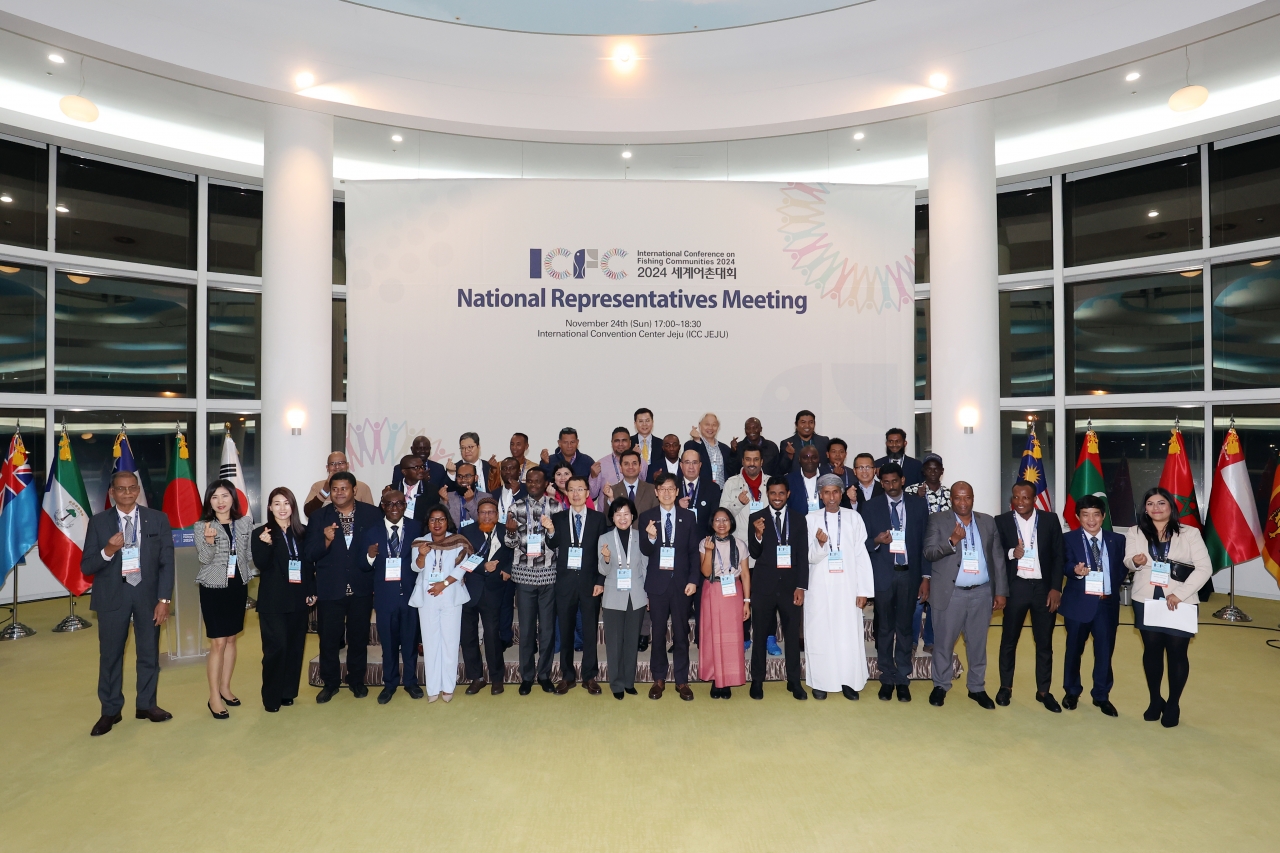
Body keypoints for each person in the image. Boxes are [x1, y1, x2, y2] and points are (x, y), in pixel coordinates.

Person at [81, 471, 175, 736]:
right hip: (112, 597)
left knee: (148, 654)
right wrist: (107, 551)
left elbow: (167, 563)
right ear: (112, 492)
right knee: (110, 656)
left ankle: (146, 705)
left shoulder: (158, 519)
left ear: (138, 490)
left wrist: (164, 599)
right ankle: (110, 710)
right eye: (120, 489)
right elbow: (87, 565)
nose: (127, 493)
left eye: (132, 488)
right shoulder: (99, 523)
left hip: (148, 597)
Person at [1124, 486, 1213, 728]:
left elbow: (1205, 568)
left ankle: (1173, 703)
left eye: (1161, 503)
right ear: (1145, 508)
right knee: (1151, 651)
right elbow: (1128, 561)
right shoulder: (1135, 532)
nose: (1156, 508)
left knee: (1177, 653)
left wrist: (1180, 594)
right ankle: (1155, 700)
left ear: (1170, 507)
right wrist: (1135, 561)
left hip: (1180, 602)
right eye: (1150, 503)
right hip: (1146, 599)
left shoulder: (1190, 533)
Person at [922, 482, 1008, 709]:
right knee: (944, 643)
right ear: (951, 499)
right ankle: (940, 685)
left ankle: (977, 687)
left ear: (972, 498)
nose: (962, 502)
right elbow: (929, 552)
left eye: (967, 497)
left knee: (978, 644)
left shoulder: (987, 521)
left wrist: (1000, 592)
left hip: (981, 593)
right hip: (951, 594)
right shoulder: (938, 520)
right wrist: (952, 541)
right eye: (958, 498)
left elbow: (998, 558)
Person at [305, 472, 383, 703]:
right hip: (331, 587)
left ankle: (356, 680)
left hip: (361, 586)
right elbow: (309, 553)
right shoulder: (320, 517)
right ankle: (330, 683)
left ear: (354, 490)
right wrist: (326, 540)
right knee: (329, 638)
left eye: (344, 488)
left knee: (358, 637)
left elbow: (379, 549)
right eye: (335, 489)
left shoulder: (371, 514)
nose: (339, 493)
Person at [859, 462, 928, 702]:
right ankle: (887, 676)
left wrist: (925, 577)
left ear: (903, 480)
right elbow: (862, 544)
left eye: (894, 481)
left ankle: (903, 676)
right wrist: (876, 541)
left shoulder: (919, 506)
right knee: (885, 629)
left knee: (905, 628)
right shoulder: (870, 508)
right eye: (885, 482)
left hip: (909, 574)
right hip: (884, 576)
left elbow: (924, 545)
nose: (890, 486)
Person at [994, 480, 1066, 712]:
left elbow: (1058, 556)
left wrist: (1056, 588)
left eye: (1025, 497)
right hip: (1016, 587)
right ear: (1011, 499)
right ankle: (1006, 687)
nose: (1020, 502)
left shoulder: (1050, 520)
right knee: (1008, 640)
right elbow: (995, 555)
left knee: (1044, 642)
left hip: (1044, 589)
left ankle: (1044, 691)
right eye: (1016, 497)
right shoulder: (1002, 521)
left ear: (1035, 499)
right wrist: (1011, 553)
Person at [804, 474, 875, 700]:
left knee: (847, 634)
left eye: (835, 492)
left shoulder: (853, 518)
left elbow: (861, 556)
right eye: (827, 492)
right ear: (820, 495)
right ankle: (821, 682)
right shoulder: (810, 519)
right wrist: (821, 544)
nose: (832, 497)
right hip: (819, 587)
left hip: (847, 587)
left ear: (841, 493)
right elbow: (808, 557)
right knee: (820, 633)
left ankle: (848, 681)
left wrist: (863, 590)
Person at [193, 479, 255, 719]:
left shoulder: (244, 523)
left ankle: (226, 687)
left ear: (233, 498)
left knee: (231, 639)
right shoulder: (202, 526)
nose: (220, 501)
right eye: (215, 497)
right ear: (209, 501)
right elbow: (205, 559)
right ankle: (213, 696)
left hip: (237, 586)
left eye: (225, 496)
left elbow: (248, 554)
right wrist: (209, 542)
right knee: (218, 642)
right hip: (214, 587)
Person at [1059, 495, 1127, 716]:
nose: (1091, 520)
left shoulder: (1117, 540)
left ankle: (1101, 695)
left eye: (1096, 514)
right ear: (1078, 517)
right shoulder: (1068, 539)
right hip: (1079, 603)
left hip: (1106, 604)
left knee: (1105, 651)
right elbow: (1064, 564)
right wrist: (1075, 572)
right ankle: (1071, 691)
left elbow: (1121, 569)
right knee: (1074, 650)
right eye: (1085, 515)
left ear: (1103, 516)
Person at [638, 473, 701, 701]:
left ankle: (682, 680)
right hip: (657, 585)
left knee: (681, 633)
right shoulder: (648, 517)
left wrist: (694, 580)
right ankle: (658, 678)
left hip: (682, 584)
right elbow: (645, 550)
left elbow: (694, 551)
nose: (666, 492)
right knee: (658, 632)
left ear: (677, 492)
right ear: (656, 492)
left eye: (670, 488)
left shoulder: (688, 517)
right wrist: (652, 537)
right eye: (662, 489)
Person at [252, 486, 314, 713]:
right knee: (275, 649)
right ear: (270, 507)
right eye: (276, 503)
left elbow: (308, 565)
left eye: (286, 503)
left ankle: (288, 692)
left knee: (295, 648)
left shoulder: (302, 532)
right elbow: (261, 565)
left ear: (292, 506)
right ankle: (271, 697)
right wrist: (266, 545)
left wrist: (312, 590)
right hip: (273, 602)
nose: (282, 508)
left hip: (298, 599)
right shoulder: (261, 532)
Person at [747, 477, 809, 699]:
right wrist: (759, 535)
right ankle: (757, 681)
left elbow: (802, 555)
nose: (777, 498)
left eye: (781, 493)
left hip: (791, 587)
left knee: (792, 636)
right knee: (760, 635)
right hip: (763, 587)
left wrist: (801, 586)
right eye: (773, 493)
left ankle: (794, 681)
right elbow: (754, 553)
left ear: (788, 494)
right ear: (767, 493)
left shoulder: (799, 519)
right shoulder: (756, 518)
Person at [545, 475, 607, 694]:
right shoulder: (559, 518)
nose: (576, 494)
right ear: (566, 494)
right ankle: (567, 676)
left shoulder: (599, 519)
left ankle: (590, 677)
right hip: (565, 583)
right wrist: (550, 530)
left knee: (590, 630)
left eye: (580, 489)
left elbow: (603, 553)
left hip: (591, 583)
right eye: (571, 490)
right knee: (566, 630)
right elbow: (552, 544)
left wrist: (601, 581)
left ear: (588, 492)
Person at [363, 490, 423, 704]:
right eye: (390, 504)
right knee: (388, 644)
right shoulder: (372, 531)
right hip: (385, 597)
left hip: (410, 595)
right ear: (383, 506)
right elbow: (363, 566)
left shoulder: (416, 527)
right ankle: (389, 684)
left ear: (405, 505)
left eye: (399, 503)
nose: (395, 507)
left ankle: (410, 682)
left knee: (409, 642)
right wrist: (370, 556)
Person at [409, 506, 473, 703]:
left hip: (451, 596)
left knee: (450, 642)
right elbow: (415, 567)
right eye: (433, 520)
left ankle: (448, 686)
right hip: (427, 597)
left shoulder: (458, 542)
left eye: (441, 519)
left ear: (448, 521)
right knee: (430, 643)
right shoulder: (419, 543)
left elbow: (462, 568)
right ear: (427, 522)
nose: (437, 524)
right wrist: (421, 555)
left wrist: (443, 584)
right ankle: (433, 687)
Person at [503, 468, 558, 695]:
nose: (534, 484)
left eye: (538, 480)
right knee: (526, 630)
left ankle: (544, 675)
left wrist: (551, 530)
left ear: (546, 483)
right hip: (524, 576)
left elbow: (558, 542)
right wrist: (512, 533)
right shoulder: (515, 508)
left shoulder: (555, 506)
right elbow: (510, 544)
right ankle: (526, 677)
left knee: (546, 630)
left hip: (549, 575)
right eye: (530, 481)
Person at [459, 496, 513, 695]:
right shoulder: (466, 532)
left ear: (497, 515)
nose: (487, 515)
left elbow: (513, 553)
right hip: (469, 590)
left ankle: (497, 678)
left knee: (492, 636)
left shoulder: (506, 530)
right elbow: (462, 561)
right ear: (477, 514)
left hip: (494, 591)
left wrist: (508, 569)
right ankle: (476, 678)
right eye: (483, 512)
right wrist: (483, 567)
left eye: (491, 512)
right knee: (469, 637)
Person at [698, 508, 751, 698]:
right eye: (717, 520)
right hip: (712, 589)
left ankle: (727, 679)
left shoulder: (740, 544)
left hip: (733, 592)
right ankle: (715, 679)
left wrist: (746, 601)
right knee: (713, 635)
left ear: (731, 522)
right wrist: (710, 552)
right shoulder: (705, 543)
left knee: (731, 637)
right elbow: (705, 572)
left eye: (725, 520)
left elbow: (745, 574)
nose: (721, 523)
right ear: (712, 523)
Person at [598, 497, 647, 699]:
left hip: (636, 594)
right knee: (615, 642)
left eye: (626, 513)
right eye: (618, 514)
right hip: (612, 595)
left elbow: (645, 567)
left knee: (631, 641)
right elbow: (602, 569)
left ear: (633, 515)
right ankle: (616, 684)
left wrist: (648, 593)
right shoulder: (605, 539)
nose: (622, 517)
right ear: (612, 517)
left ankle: (629, 681)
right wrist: (607, 557)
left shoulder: (640, 536)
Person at [912, 452, 948, 655]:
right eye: (928, 468)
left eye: (936, 468)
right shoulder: (911, 491)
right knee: (917, 601)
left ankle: (931, 640)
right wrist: (918, 500)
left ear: (941, 472)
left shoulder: (951, 494)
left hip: (943, 554)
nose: (932, 472)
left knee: (935, 601)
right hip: (917, 552)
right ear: (923, 471)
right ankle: (911, 641)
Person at [493, 457, 526, 649]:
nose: (507, 472)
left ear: (518, 470)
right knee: (504, 599)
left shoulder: (528, 492)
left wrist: (517, 493)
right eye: (504, 469)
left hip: (524, 550)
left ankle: (528, 639)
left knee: (524, 601)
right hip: (501, 547)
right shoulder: (494, 492)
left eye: (511, 469)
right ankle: (504, 637)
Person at [303, 451, 374, 516]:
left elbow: (371, 514)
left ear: (347, 465)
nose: (337, 467)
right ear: (327, 468)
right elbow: (309, 513)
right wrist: (325, 491)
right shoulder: (317, 486)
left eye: (341, 463)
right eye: (332, 464)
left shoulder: (362, 487)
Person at [721, 445, 768, 534]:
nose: (752, 463)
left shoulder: (771, 483)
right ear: (742, 461)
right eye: (748, 459)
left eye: (756, 459)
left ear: (761, 462)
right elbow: (722, 518)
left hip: (766, 540)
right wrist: (738, 503)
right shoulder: (730, 483)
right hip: (740, 541)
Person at [678, 448, 721, 538]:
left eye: (694, 462)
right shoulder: (672, 487)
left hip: (704, 540)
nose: (691, 467)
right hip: (678, 540)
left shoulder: (713, 488)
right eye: (687, 462)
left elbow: (714, 518)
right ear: (681, 465)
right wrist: (677, 506)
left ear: (700, 465)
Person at [601, 449, 657, 517]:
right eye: (626, 464)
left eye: (634, 463)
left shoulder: (652, 489)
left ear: (640, 467)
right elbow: (607, 521)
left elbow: (656, 516)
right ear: (621, 468)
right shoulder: (611, 491)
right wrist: (610, 500)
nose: (631, 467)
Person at [540, 427, 596, 494]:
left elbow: (593, 494)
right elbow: (542, 486)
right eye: (565, 442)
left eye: (572, 442)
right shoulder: (549, 460)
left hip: (580, 502)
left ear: (577, 442)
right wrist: (545, 465)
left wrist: (594, 477)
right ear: (559, 443)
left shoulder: (587, 461)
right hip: (555, 502)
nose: (569, 446)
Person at [685, 412, 732, 488]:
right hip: (702, 492)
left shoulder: (725, 449)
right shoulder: (692, 445)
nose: (710, 428)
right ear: (700, 426)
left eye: (714, 425)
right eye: (707, 424)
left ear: (718, 427)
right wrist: (696, 440)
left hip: (722, 494)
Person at [775, 409, 829, 476]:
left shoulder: (824, 441)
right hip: (797, 483)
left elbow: (829, 465)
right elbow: (782, 470)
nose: (807, 426)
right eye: (803, 422)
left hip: (820, 482)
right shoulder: (787, 443)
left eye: (811, 422)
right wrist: (789, 456)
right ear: (796, 424)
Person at [595, 427, 648, 492]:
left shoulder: (642, 463)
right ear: (612, 443)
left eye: (624, 440)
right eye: (617, 441)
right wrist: (593, 477)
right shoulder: (601, 464)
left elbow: (645, 490)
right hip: (608, 502)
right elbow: (592, 495)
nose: (620, 444)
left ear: (630, 442)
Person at [444, 462, 489, 529]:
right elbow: (444, 522)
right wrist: (445, 502)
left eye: (468, 476)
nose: (463, 479)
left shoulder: (486, 498)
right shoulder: (448, 496)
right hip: (454, 537)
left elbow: (484, 521)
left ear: (476, 478)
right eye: (459, 476)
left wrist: (470, 502)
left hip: (476, 538)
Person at [396, 453, 437, 519]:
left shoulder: (431, 490)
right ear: (404, 471)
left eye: (422, 467)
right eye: (416, 468)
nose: (421, 470)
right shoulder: (393, 489)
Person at [786, 445, 823, 517]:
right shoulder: (789, 480)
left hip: (824, 522)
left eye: (814, 458)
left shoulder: (827, 478)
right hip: (799, 524)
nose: (810, 461)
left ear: (819, 459)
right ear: (799, 459)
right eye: (805, 458)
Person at [819, 439, 856, 508]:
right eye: (834, 452)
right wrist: (833, 476)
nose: (838, 455)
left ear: (845, 454)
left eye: (841, 452)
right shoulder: (820, 471)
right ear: (827, 454)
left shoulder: (852, 472)